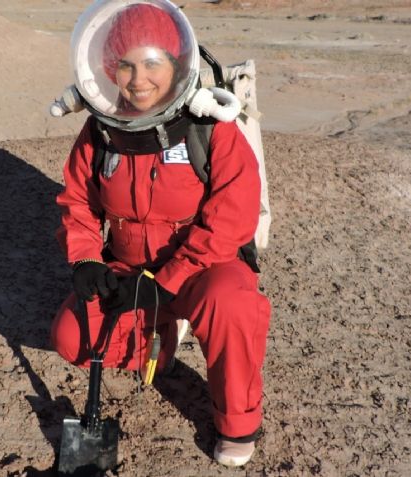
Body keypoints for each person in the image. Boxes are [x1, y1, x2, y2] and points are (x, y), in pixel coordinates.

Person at [50, 1, 271, 467]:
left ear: (175, 64)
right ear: (110, 68)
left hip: (201, 271)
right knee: (73, 337)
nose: (138, 79)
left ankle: (237, 422)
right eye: (126, 65)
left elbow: (231, 218)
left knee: (232, 304)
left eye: (152, 63)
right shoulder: (102, 131)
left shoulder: (209, 129)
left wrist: (167, 280)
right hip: (128, 269)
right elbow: (78, 202)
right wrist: (87, 259)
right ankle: (161, 340)